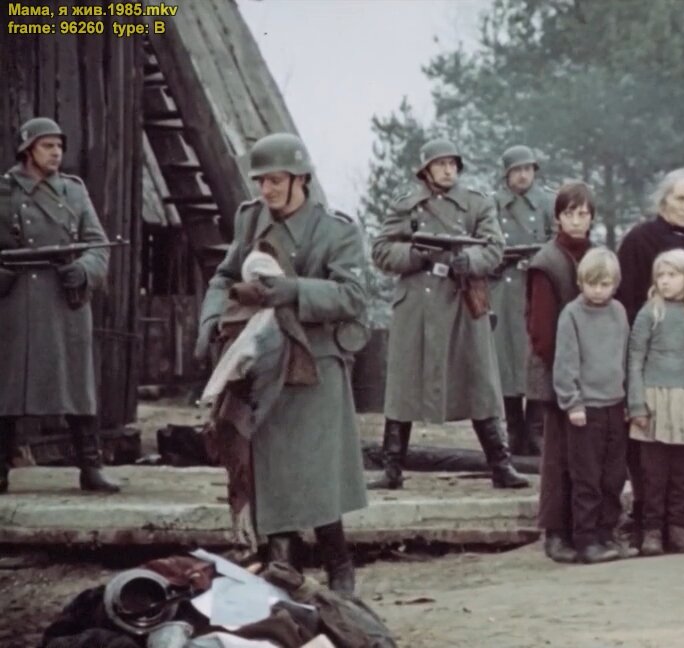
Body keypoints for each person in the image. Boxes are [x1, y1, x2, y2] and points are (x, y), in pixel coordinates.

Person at [195, 133, 368, 593]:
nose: (266, 190)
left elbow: (353, 296)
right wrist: (210, 319)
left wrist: (295, 290)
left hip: (316, 360)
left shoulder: (335, 231)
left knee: (318, 467)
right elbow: (224, 276)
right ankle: (281, 566)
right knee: (268, 466)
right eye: (261, 181)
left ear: (300, 179)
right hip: (265, 359)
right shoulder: (251, 219)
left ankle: (339, 563)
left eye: (275, 180)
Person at [369, 138, 528, 491]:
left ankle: (501, 465)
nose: (447, 170)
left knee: (480, 381)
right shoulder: (407, 205)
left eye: (452, 164)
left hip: (462, 299)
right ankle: (392, 467)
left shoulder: (477, 203)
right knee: (403, 385)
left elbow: (495, 247)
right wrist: (415, 255)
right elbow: (381, 250)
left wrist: (469, 260)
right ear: (425, 170)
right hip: (417, 303)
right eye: (440, 164)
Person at [0, 117, 117, 494]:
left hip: (65, 299)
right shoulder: (5, 192)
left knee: (77, 386)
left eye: (59, 146)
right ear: (27, 150)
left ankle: (91, 467)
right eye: (47, 146)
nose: (56, 153)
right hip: (16, 300)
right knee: (7, 386)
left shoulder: (74, 192)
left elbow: (97, 244)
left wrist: (83, 271)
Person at [615, 166, 684, 541]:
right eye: (680, 198)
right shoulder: (638, 240)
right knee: (649, 454)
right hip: (649, 365)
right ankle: (646, 523)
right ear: (663, 201)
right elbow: (626, 302)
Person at [627, 249, 684, 555]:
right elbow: (635, 359)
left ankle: (678, 529)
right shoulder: (649, 312)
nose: (665, 281)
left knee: (683, 472)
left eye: (672, 275)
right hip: (655, 399)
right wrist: (636, 403)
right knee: (653, 473)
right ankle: (652, 531)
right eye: (660, 275)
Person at [526, 181, 596, 563]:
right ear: (558, 217)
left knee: (586, 455)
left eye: (584, 213)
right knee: (557, 456)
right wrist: (566, 374)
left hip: (593, 372)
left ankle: (585, 528)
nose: (577, 220)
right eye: (570, 213)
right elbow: (541, 331)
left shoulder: (598, 256)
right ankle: (555, 531)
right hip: (556, 371)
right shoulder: (546, 262)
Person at [552, 248, 631, 563]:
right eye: (592, 283)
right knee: (587, 478)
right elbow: (565, 362)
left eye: (605, 284)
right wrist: (572, 402)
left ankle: (607, 534)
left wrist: (628, 399)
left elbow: (625, 356)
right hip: (585, 409)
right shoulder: (571, 314)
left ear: (615, 284)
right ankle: (586, 540)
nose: (598, 290)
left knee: (614, 476)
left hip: (616, 405)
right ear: (581, 282)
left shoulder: (619, 312)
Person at [489, 145, 554, 457]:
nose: (523, 175)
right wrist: (497, 259)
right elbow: (482, 243)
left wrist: (540, 257)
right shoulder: (492, 205)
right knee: (506, 361)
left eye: (528, 169)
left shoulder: (548, 202)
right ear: (506, 175)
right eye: (517, 170)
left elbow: (558, 239)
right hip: (503, 289)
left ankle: (535, 428)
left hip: (537, 287)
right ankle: (514, 429)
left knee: (537, 355)